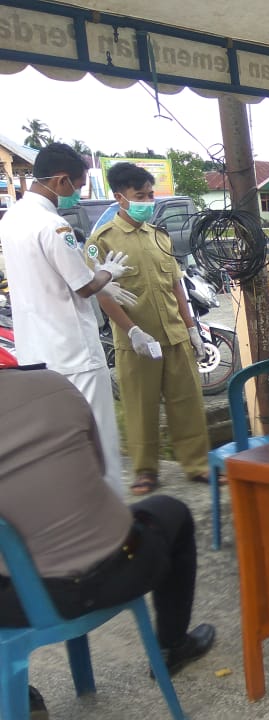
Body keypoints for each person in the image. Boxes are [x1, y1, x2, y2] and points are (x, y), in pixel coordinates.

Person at [0, 366, 217, 720]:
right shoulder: (54, 385)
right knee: (173, 512)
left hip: (34, 598)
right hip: (124, 563)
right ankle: (171, 645)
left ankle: (16, 698)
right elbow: (97, 467)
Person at [0, 143, 137, 494]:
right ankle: (113, 516)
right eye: (77, 185)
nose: (76, 193)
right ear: (60, 181)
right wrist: (108, 273)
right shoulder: (53, 226)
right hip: (74, 352)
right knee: (98, 437)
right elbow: (85, 286)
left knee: (57, 441)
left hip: (37, 354)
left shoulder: (11, 218)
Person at [88, 162, 211, 496]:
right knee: (140, 407)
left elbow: (176, 287)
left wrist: (192, 328)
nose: (147, 200)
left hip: (173, 335)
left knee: (187, 402)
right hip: (136, 341)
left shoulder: (159, 237)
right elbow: (101, 294)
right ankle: (145, 470)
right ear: (119, 197)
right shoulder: (102, 241)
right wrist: (132, 332)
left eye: (150, 194)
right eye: (139, 195)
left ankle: (197, 463)